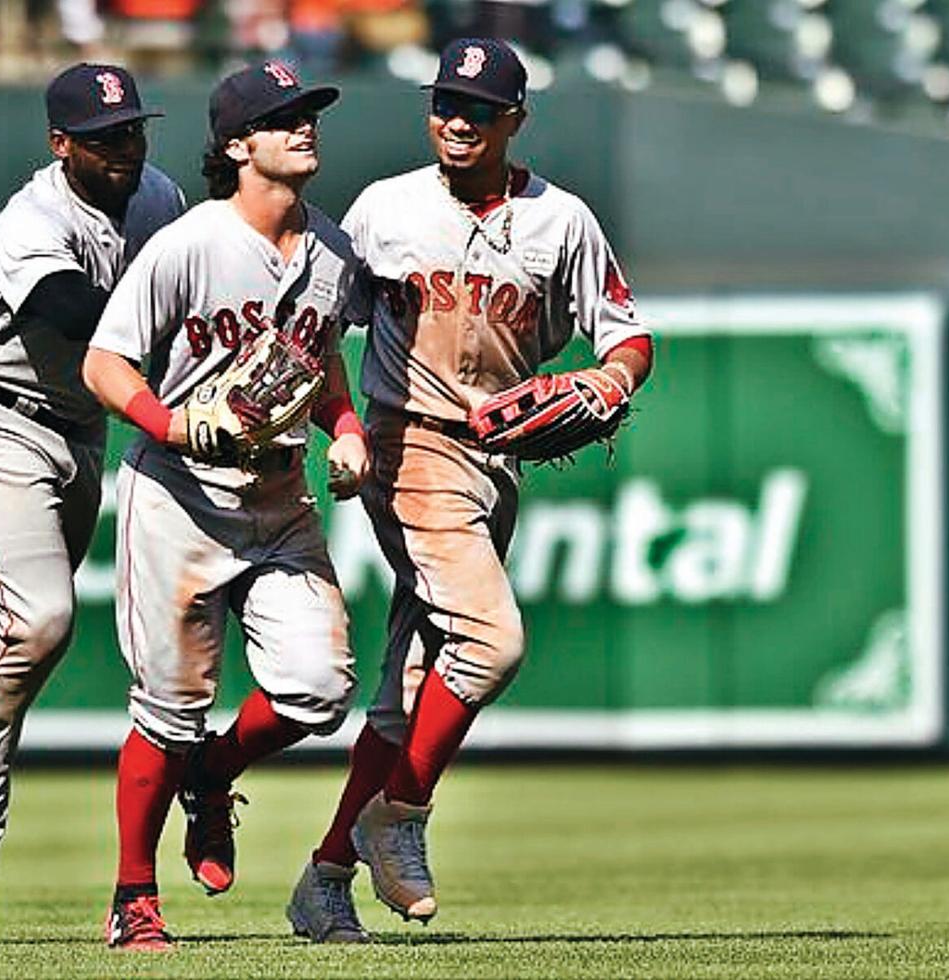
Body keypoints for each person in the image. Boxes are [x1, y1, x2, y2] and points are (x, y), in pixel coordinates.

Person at [285, 37, 654, 943]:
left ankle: (327, 876)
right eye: (446, 102)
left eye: (480, 109)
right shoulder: (386, 209)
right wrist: (336, 428)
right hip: (408, 442)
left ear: (515, 120)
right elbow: (319, 325)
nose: (457, 119)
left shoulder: (560, 220)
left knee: (411, 688)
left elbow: (627, 335)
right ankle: (397, 815)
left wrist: (611, 381)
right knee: (491, 642)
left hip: (499, 461)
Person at [81, 59, 370, 952]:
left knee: (319, 691)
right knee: (166, 708)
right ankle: (133, 897)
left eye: (309, 113)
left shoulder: (331, 250)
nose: (304, 127)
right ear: (237, 145)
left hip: (277, 496)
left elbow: (314, 363)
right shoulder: (189, 244)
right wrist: (170, 425)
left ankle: (212, 774)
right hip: (176, 500)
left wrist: (346, 426)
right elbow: (104, 364)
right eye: (282, 118)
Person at [0, 62, 185, 945]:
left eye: (134, 131)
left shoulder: (161, 198)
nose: (125, 151)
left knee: (19, 631)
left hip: (80, 433)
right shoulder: (33, 216)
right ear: (61, 144)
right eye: (105, 140)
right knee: (39, 619)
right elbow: (67, 309)